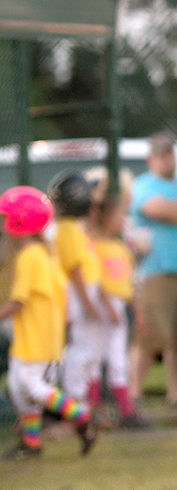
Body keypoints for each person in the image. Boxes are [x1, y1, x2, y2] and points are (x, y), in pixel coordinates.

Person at [0, 186, 98, 460]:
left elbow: (18, 302)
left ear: (20, 222)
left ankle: (82, 416)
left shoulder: (31, 256)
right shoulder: (43, 252)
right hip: (32, 334)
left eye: (6, 218)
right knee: (19, 389)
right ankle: (31, 443)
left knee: (31, 387)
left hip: (38, 337)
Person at [129, 132, 177, 407]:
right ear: (150, 159)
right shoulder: (143, 185)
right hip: (157, 271)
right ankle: (131, 395)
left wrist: (173, 210)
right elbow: (153, 210)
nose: (166, 159)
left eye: (169, 154)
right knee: (151, 338)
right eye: (160, 155)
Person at [84, 172, 147, 429]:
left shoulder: (121, 248)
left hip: (118, 308)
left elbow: (128, 285)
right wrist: (109, 307)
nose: (123, 221)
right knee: (95, 359)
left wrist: (138, 312)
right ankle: (92, 412)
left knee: (118, 360)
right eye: (119, 216)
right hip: (102, 308)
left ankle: (126, 411)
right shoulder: (94, 246)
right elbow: (97, 283)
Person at [49, 171, 104, 407]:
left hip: (82, 294)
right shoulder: (67, 228)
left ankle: (82, 401)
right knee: (79, 349)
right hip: (77, 295)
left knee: (86, 348)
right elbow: (74, 270)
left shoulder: (72, 226)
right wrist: (88, 303)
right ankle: (76, 401)